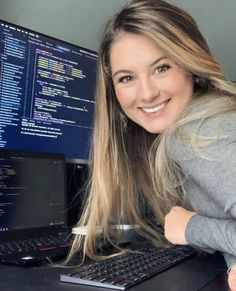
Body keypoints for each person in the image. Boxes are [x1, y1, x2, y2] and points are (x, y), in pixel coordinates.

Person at [69, 0, 236, 289]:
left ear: (190, 65)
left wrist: (192, 228)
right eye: (127, 78)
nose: (146, 93)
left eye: (161, 68)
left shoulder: (197, 132)